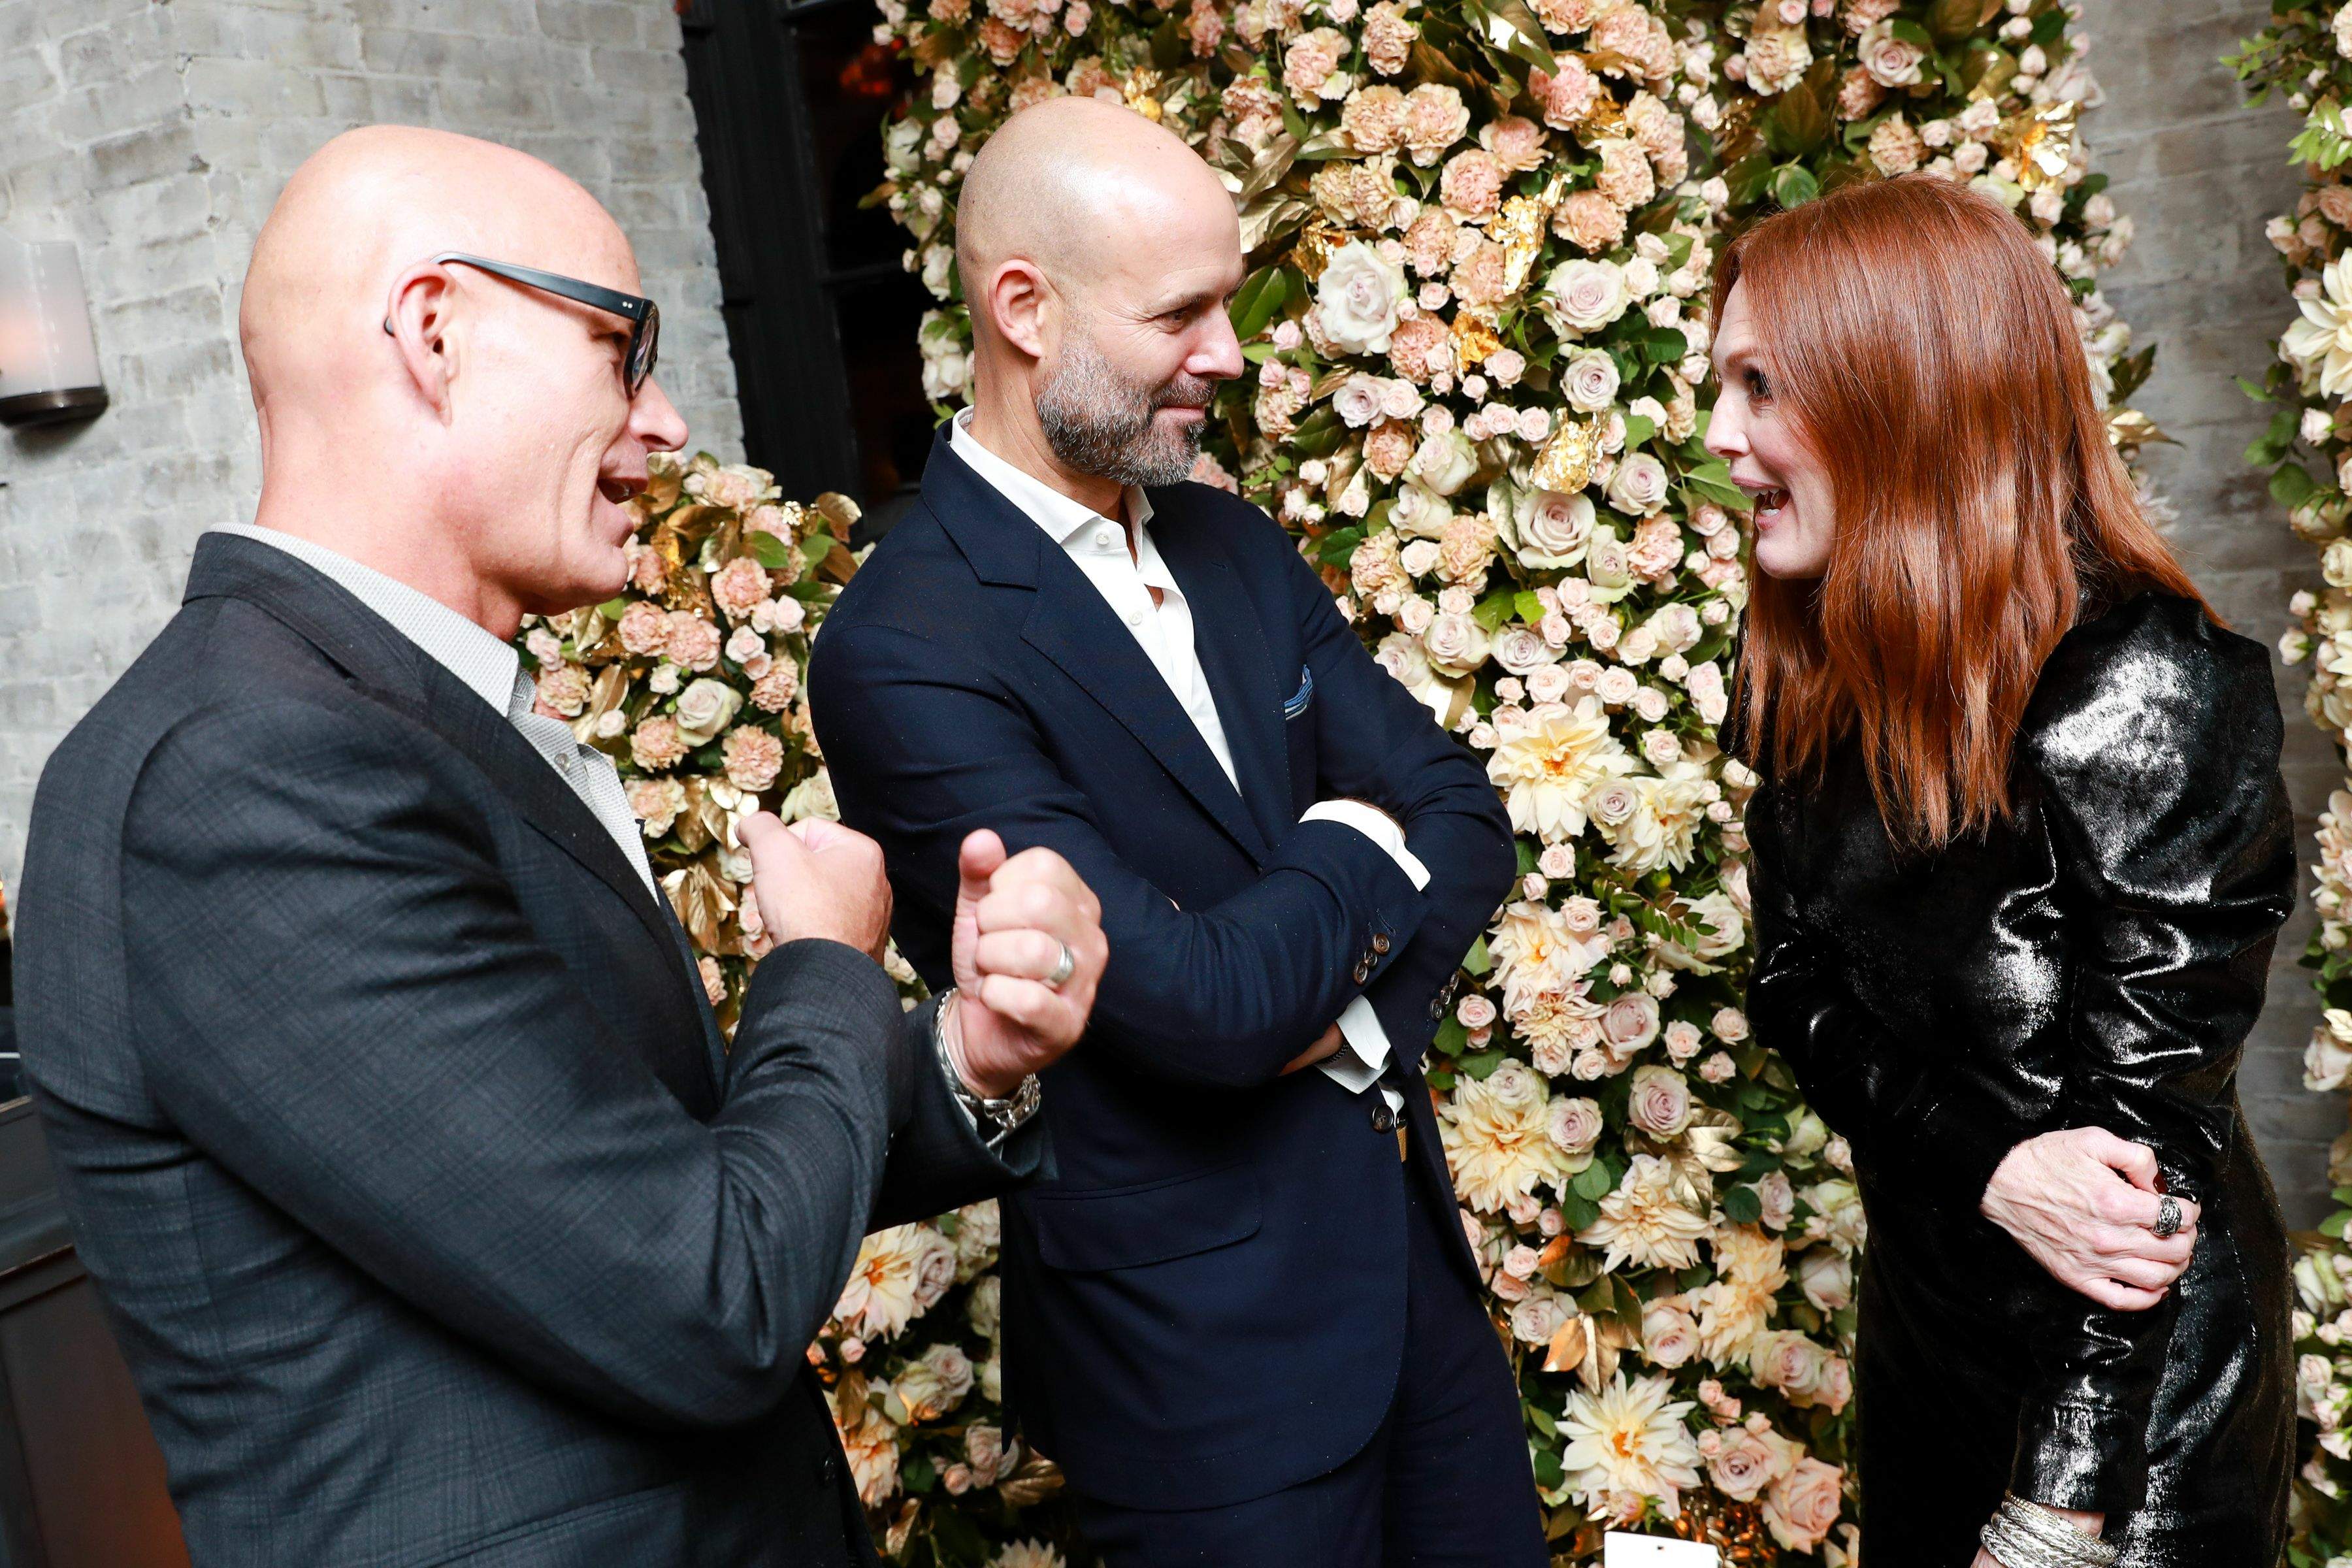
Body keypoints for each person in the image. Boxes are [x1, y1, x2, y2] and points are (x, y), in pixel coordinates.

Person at [11, 126, 1107, 1568]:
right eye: (622, 349)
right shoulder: (239, 770)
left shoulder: (381, 715)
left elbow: (628, 1175)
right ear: (434, 333)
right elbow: (703, 1294)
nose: (666, 425)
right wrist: (824, 962)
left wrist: (968, 1052)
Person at [808, 98, 1538, 1567]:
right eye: (1180, 314)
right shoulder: (903, 648)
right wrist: (1356, 837)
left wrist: (1341, 1017)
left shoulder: (1229, 539)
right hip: (1199, 1377)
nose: (1230, 353)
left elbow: (1465, 810)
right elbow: (1198, 1013)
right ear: (1026, 310)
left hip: (1417, 1303)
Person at [1711, 174, 2297, 1567]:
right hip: (1925, 1351)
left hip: (2135, 1421)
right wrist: (1988, 1167)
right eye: (1721, 384)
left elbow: (2141, 1174)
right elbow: (1790, 980)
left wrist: (2059, 1506)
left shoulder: (2151, 682)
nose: (1721, 437)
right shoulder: (1821, 667)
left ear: (1902, 397)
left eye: (1760, 386)